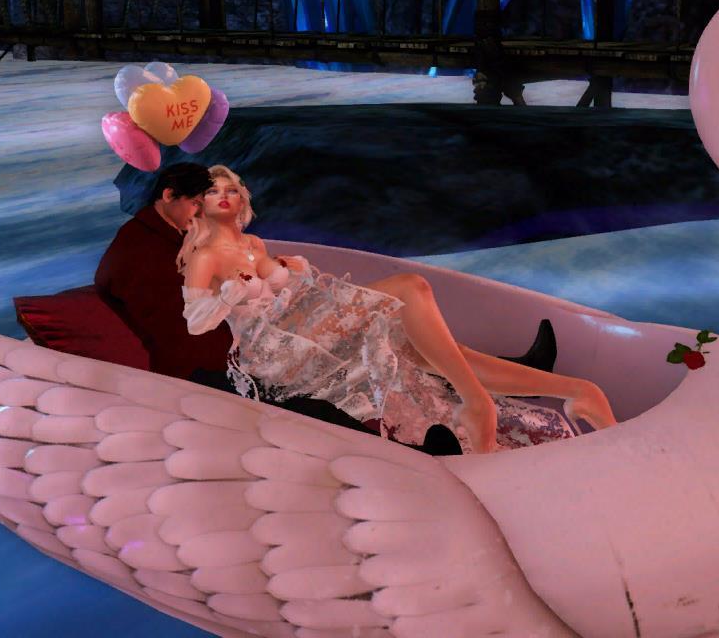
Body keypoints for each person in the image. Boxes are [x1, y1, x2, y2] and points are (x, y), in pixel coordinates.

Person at [179, 165, 618, 454]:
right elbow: (196, 324)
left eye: (231, 189)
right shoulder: (205, 256)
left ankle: (575, 390)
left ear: (242, 199)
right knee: (410, 291)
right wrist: (231, 294)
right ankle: (484, 401)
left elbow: (286, 291)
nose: (224, 196)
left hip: (308, 325)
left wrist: (292, 269)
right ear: (200, 203)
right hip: (278, 354)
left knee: (428, 347)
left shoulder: (254, 244)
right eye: (213, 191)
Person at [95, 162, 229, 379]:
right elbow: (173, 323)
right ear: (168, 195)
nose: (200, 214)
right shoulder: (140, 245)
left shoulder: (171, 235)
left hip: (212, 355)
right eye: (195, 203)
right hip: (194, 367)